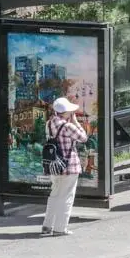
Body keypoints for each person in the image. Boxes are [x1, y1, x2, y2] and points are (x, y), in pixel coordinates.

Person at [41, 97, 89, 236]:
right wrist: (75, 122)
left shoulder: (49, 124)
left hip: (54, 166)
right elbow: (83, 138)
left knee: (54, 195)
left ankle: (47, 226)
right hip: (69, 165)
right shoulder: (68, 126)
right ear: (66, 112)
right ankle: (60, 228)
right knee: (67, 197)